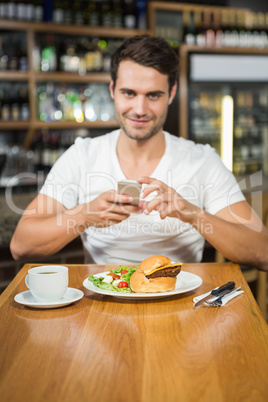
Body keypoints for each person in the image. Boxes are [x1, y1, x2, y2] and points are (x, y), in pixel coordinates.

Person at [10, 35, 268, 271]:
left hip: (182, 310)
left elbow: (262, 252)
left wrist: (194, 214)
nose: (140, 109)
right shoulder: (82, 156)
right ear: (113, 91)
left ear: (172, 94)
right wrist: (84, 215)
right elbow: (21, 245)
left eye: (153, 95)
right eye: (129, 93)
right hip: (103, 307)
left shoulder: (202, 161)